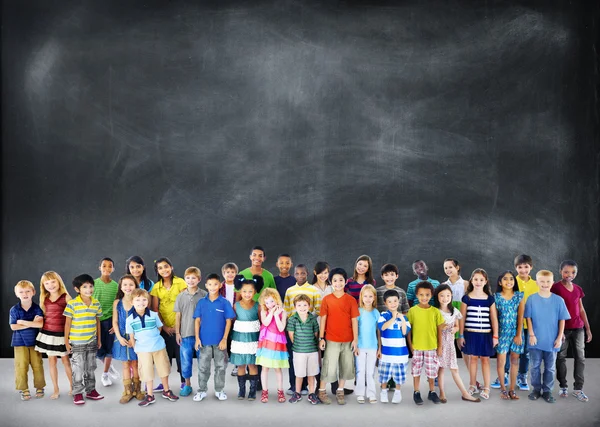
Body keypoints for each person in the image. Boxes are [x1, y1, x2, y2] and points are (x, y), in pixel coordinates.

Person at [126, 288, 179, 407]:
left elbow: (159, 328)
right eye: (137, 300)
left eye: (144, 300)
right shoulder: (130, 320)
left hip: (158, 347)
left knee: (163, 369)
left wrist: (153, 338)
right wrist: (136, 349)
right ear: (132, 302)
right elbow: (131, 336)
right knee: (147, 372)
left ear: (148, 301)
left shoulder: (154, 315)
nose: (141, 302)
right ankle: (150, 395)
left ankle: (166, 390)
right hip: (143, 350)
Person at [493, 254, 537, 391]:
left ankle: (522, 376)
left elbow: (529, 309)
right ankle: (504, 375)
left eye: (526, 267)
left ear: (531, 267)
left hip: (526, 326)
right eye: (520, 267)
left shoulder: (535, 285)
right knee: (504, 355)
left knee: (524, 353)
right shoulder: (512, 281)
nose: (523, 270)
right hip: (504, 330)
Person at [525, 270, 570, 403]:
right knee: (535, 366)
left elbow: (562, 319)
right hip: (535, 340)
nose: (545, 284)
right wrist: (531, 334)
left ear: (552, 282)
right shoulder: (532, 299)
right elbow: (528, 318)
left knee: (550, 367)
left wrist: (559, 336)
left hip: (552, 340)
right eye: (542, 281)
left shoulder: (558, 300)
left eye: (548, 281)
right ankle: (536, 389)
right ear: (537, 282)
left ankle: (547, 390)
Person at [551, 260, 592, 402]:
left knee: (580, 357)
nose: (569, 275)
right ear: (560, 271)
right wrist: (558, 331)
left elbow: (581, 309)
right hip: (562, 329)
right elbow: (553, 310)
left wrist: (588, 328)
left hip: (578, 328)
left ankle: (578, 389)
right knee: (561, 357)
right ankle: (563, 385)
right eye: (566, 272)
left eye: (573, 272)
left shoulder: (578, 289)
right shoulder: (555, 288)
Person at [317, 268, 359, 405]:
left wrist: (355, 340)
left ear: (346, 281)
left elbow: (354, 320)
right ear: (330, 282)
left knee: (345, 366)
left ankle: (340, 390)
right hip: (331, 339)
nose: (338, 283)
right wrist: (321, 338)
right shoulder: (327, 300)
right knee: (329, 366)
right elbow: (323, 319)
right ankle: (322, 391)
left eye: (341, 280)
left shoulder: (351, 300)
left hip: (347, 340)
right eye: (335, 280)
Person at [433, 285, 480, 403]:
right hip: (439, 344)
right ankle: (442, 393)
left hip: (450, 345)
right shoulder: (435, 311)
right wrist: (441, 329)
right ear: (437, 297)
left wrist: (455, 329)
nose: (445, 298)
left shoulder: (454, 311)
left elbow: (458, 326)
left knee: (454, 369)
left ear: (451, 296)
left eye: (448, 295)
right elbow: (433, 329)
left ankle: (465, 394)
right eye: (442, 296)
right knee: (441, 369)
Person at [193, 273, 236, 402]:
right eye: (210, 284)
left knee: (221, 367)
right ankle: (201, 390)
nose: (212, 287)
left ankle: (219, 390)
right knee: (203, 367)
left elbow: (229, 321)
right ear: (206, 286)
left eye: (215, 284)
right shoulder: (201, 302)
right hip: (204, 341)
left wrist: (224, 339)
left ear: (220, 285)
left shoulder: (224, 302)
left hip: (220, 342)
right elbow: (197, 321)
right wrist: (197, 338)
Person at [458, 269, 499, 401]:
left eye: (481, 280)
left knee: (485, 360)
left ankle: (486, 387)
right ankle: (472, 385)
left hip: (485, 334)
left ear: (486, 281)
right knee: (473, 359)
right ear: (471, 280)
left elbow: (494, 319)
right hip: (471, 334)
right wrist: (461, 335)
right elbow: (462, 318)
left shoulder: (489, 299)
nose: (478, 282)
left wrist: (495, 336)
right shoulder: (467, 298)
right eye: (475, 279)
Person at [63, 274, 104, 405]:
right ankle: (78, 393)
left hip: (92, 341)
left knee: (91, 367)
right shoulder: (72, 304)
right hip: (77, 342)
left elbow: (97, 322)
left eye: (91, 286)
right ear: (77, 289)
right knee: (78, 369)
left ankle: (91, 391)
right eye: (85, 287)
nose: (89, 289)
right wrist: (66, 342)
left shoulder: (96, 303)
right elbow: (67, 324)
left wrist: (98, 339)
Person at [150, 257, 187, 391]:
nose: (164, 270)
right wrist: (164, 327)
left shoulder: (180, 283)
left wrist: (178, 328)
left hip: (180, 327)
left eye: (166, 266)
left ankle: (184, 382)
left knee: (181, 356)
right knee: (164, 357)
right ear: (158, 271)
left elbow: (185, 305)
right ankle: (163, 384)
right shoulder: (156, 287)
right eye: (160, 268)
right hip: (165, 328)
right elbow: (155, 309)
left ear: (171, 267)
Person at [34, 271, 73, 399]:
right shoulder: (43, 299)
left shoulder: (66, 297)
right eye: (47, 283)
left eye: (53, 281)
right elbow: (44, 316)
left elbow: (73, 317)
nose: (50, 285)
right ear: (43, 285)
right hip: (48, 334)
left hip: (62, 335)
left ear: (58, 282)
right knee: (51, 362)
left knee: (66, 361)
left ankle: (73, 387)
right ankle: (56, 389)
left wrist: (70, 336)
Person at [407, 281, 445, 405]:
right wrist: (411, 345)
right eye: (421, 295)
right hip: (417, 346)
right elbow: (409, 330)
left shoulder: (435, 312)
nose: (424, 297)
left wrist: (440, 346)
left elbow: (440, 330)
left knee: (431, 371)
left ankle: (432, 391)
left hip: (431, 346)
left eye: (427, 295)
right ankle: (416, 392)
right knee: (416, 370)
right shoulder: (412, 311)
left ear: (431, 295)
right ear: (417, 295)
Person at [174, 267, 207, 397]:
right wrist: (177, 333)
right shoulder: (181, 296)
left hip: (202, 336)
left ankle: (202, 387)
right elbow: (178, 316)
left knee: (202, 362)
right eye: (188, 278)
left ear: (199, 279)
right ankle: (187, 385)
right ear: (185, 279)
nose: (191, 280)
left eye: (194, 278)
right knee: (186, 362)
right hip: (185, 334)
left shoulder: (204, 295)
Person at [111, 274, 144, 403]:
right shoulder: (117, 303)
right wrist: (119, 337)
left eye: (131, 284)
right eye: (125, 284)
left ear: (135, 286)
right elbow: (115, 322)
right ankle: (127, 391)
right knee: (125, 364)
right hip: (121, 338)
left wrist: (134, 339)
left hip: (136, 338)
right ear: (121, 287)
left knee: (136, 364)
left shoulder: (138, 301)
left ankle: (138, 389)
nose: (128, 287)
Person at [10, 280, 45, 401]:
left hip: (35, 341)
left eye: (27, 291)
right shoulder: (14, 310)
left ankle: (40, 387)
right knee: (21, 366)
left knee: (37, 365)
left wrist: (23, 322)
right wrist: (32, 323)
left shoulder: (37, 308)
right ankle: (23, 388)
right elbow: (13, 326)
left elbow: (40, 324)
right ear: (16, 294)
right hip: (19, 342)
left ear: (33, 292)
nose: (24, 294)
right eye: (21, 292)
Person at [231, 275, 263, 400]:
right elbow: (233, 321)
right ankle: (241, 390)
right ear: (240, 291)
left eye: (250, 291)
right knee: (241, 365)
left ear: (255, 292)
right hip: (239, 339)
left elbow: (262, 322)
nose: (247, 294)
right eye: (244, 291)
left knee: (252, 365)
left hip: (253, 340)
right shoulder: (236, 306)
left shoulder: (258, 306)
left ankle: (252, 391)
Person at [494, 271, 524, 400]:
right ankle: (503, 389)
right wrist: (495, 336)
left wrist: (518, 334)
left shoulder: (519, 296)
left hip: (515, 333)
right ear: (500, 282)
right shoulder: (496, 297)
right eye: (505, 279)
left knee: (514, 361)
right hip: (502, 333)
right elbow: (494, 318)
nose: (509, 281)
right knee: (501, 361)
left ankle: (512, 389)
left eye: (511, 279)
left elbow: (521, 317)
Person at [256, 288, 289, 403]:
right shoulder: (264, 311)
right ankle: (265, 391)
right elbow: (265, 323)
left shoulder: (283, 312)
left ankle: (280, 391)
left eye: (272, 301)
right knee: (264, 368)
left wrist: (276, 315)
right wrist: (271, 313)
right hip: (266, 343)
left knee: (277, 368)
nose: (269, 304)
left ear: (277, 300)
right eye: (267, 302)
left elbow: (281, 328)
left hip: (277, 343)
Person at [286, 294, 320, 405]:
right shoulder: (292, 319)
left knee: (311, 374)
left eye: (305, 305)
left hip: (312, 351)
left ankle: (311, 393)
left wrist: (312, 346)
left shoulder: (312, 319)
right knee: (299, 374)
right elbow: (291, 335)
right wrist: (298, 345)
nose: (302, 307)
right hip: (298, 351)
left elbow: (316, 334)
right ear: (295, 307)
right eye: (299, 305)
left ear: (309, 306)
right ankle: (297, 393)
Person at [378, 289, 410, 404]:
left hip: (400, 353)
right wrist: (393, 318)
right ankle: (383, 391)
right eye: (390, 302)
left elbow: (405, 332)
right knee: (384, 374)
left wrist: (401, 318)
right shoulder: (383, 315)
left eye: (395, 301)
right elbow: (382, 327)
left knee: (399, 375)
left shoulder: (404, 318)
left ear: (399, 302)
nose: (393, 304)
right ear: (385, 303)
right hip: (386, 353)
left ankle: (397, 392)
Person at [441, 259, 471, 376]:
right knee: (443, 347)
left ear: (457, 267)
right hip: (447, 319)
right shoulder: (444, 285)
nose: (448, 270)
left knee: (462, 346)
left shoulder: (466, 284)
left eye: (450, 267)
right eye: (445, 268)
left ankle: (472, 377)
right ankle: (438, 374)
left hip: (461, 318)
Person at [93, 257, 120, 387]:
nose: (107, 268)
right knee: (98, 351)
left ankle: (105, 374)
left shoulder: (116, 286)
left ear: (113, 269)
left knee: (109, 349)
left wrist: (116, 324)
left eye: (110, 266)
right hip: (95, 320)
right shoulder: (93, 284)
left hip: (109, 321)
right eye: (104, 266)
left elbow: (118, 306)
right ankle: (109, 366)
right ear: (100, 268)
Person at [355, 285, 380, 404]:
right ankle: (360, 393)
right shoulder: (358, 312)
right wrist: (355, 345)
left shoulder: (376, 313)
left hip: (373, 347)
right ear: (361, 297)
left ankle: (371, 393)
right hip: (360, 346)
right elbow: (355, 330)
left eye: (370, 296)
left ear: (374, 298)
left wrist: (380, 347)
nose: (368, 299)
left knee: (370, 372)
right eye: (365, 296)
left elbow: (379, 331)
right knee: (360, 371)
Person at [219, 262, 238, 376]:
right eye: (227, 272)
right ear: (223, 273)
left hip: (236, 317)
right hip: (223, 318)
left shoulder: (239, 286)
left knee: (236, 340)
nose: (230, 274)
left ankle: (237, 365)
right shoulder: (220, 286)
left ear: (236, 273)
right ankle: (223, 363)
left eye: (232, 272)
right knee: (225, 340)